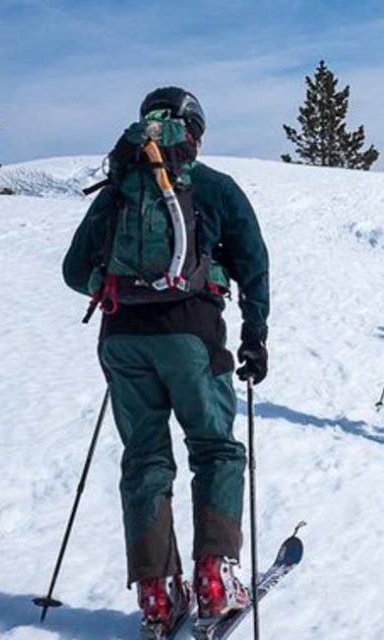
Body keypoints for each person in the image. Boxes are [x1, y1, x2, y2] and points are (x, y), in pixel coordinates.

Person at [62, 87, 270, 636]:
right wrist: (255, 335)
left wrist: (119, 290)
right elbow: (255, 265)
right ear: (194, 131)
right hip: (191, 334)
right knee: (216, 449)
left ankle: (157, 593)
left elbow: (72, 269)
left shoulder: (116, 191)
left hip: (121, 338)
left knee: (145, 458)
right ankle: (216, 577)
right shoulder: (215, 188)